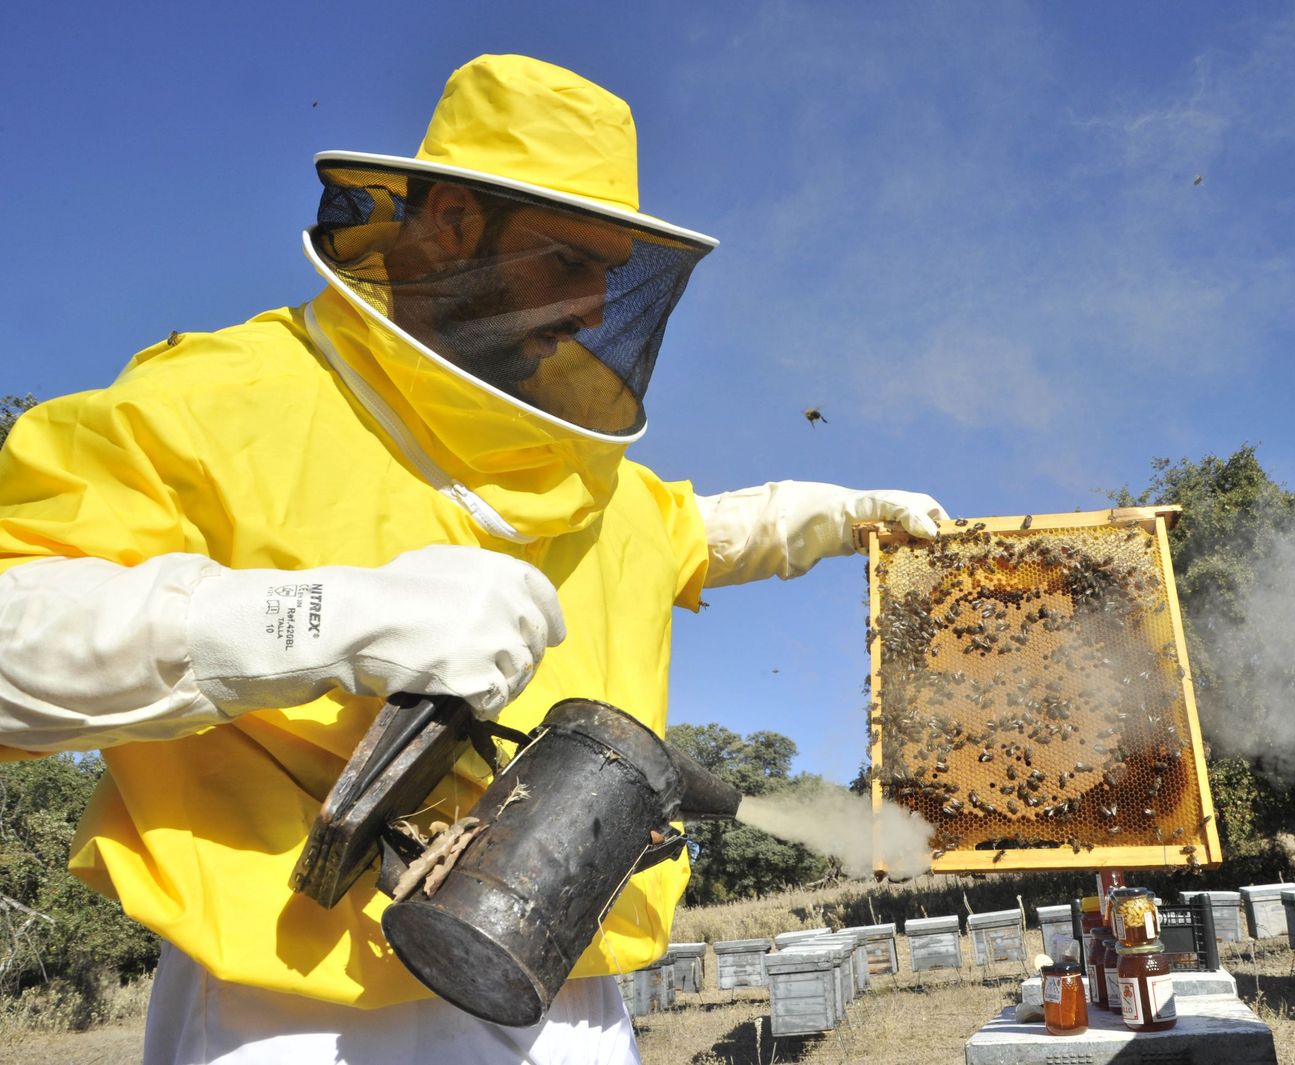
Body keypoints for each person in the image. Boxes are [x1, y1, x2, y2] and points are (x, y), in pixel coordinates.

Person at [0, 55, 946, 1064]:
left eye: (612, 275)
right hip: (301, 1004)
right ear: (450, 222)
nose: (593, 308)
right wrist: (321, 622)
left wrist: (841, 516)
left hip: (573, 990)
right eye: (568, 261)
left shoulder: (589, 481)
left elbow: (701, 533)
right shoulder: (215, 402)